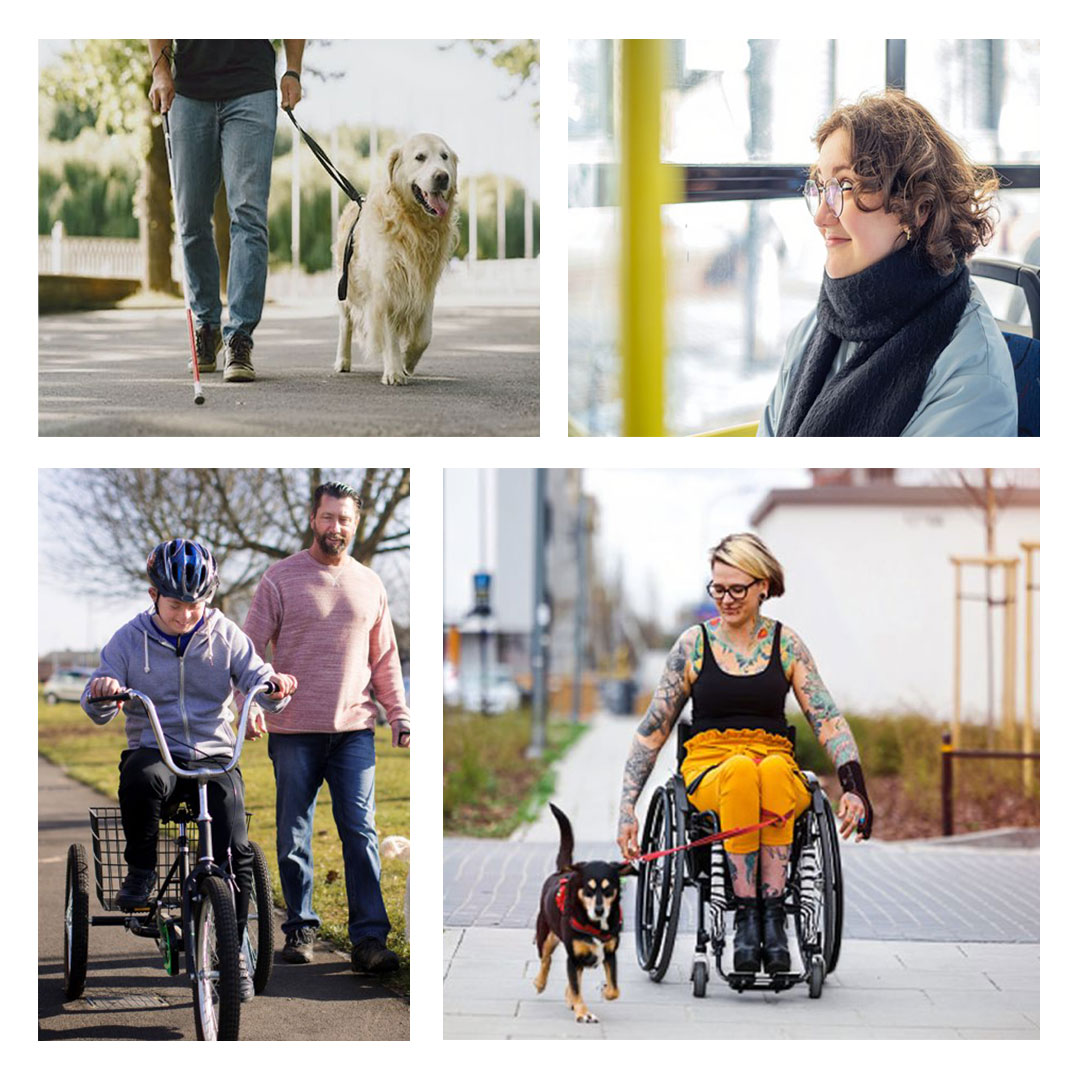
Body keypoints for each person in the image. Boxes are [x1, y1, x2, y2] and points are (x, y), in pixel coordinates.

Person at [617, 533, 872, 974]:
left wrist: (855, 790)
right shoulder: (693, 645)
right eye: (718, 588)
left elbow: (827, 718)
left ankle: (772, 920)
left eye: (737, 589)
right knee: (739, 770)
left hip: (773, 758)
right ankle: (745, 914)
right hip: (710, 766)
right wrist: (627, 807)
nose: (726, 599)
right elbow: (652, 730)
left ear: (763, 587)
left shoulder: (786, 645)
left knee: (772, 770)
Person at [81, 538, 298, 1001]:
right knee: (142, 779)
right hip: (155, 749)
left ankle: (233, 945)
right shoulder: (128, 639)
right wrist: (103, 691)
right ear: (153, 595)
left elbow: (257, 676)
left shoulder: (225, 634)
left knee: (235, 840)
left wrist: (274, 688)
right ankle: (140, 873)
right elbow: (97, 702)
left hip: (214, 755)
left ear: (209, 598)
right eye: (176, 604)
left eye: (195, 605)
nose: (185, 615)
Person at [758, 90, 1018, 437]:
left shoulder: (971, 375)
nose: (821, 216)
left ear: (919, 207)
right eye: (820, 188)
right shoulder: (816, 328)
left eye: (846, 186)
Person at [243, 481, 410, 975]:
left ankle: (369, 940)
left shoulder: (371, 584)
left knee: (360, 831)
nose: (336, 527)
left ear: (354, 524)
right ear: (313, 519)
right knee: (294, 833)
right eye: (328, 517)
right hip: (294, 729)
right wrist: (248, 700)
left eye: (345, 520)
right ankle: (300, 928)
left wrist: (398, 713)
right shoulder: (280, 579)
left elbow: (384, 659)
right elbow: (248, 649)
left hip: (355, 730)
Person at [148, 39, 305, 382]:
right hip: (188, 90)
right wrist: (160, 70)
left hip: (252, 88)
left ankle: (239, 337)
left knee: (248, 216)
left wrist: (293, 69)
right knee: (191, 218)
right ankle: (206, 327)